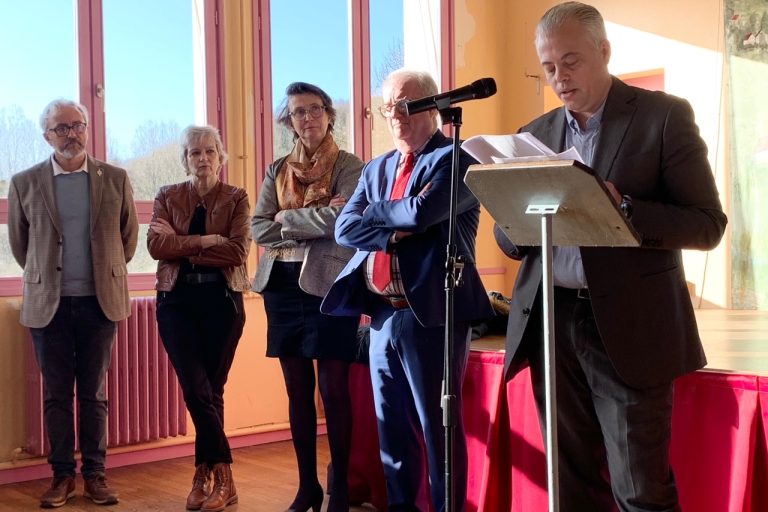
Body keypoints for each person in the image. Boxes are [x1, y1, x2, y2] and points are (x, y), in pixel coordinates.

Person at [493, 3, 728, 511]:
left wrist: (624, 208)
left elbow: (707, 224)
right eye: (548, 67)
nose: (559, 77)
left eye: (571, 61)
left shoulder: (663, 117)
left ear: (604, 50)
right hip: (551, 323)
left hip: (629, 327)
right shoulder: (533, 134)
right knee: (568, 484)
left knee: (639, 490)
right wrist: (510, 215)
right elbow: (511, 241)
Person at [321, 69, 493, 512]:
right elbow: (344, 228)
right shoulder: (376, 167)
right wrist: (391, 226)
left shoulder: (457, 160)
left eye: (406, 105)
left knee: (438, 430)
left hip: (432, 314)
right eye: (388, 108)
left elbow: (421, 213)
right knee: (391, 431)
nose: (396, 115)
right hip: (381, 314)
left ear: (433, 106)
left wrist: (376, 213)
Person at [7, 99, 138, 508]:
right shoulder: (25, 182)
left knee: (94, 394)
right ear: (47, 135)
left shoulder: (115, 178)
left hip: (100, 304)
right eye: (61, 128)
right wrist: (47, 277)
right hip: (49, 306)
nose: (71, 134)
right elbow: (21, 245)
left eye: (77, 125)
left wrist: (102, 272)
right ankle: (62, 476)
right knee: (57, 395)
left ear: (87, 128)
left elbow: (128, 238)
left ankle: (95, 475)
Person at [251, 82, 364, 512]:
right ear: (290, 121)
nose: (307, 118)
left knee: (333, 391)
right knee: (297, 392)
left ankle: (341, 489)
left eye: (314, 109)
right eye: (298, 112)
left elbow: (342, 220)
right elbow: (257, 227)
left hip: (329, 284)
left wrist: (285, 216)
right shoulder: (276, 168)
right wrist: (309, 218)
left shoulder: (350, 165)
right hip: (280, 286)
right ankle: (307, 487)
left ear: (329, 115)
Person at [147, 125, 250, 512]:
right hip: (176, 302)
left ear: (221, 157)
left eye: (209, 151)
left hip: (222, 302)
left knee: (211, 391)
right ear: (185, 159)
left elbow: (238, 252)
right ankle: (224, 475)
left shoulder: (236, 198)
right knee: (195, 388)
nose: (202, 158)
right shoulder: (167, 195)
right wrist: (207, 241)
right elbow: (156, 246)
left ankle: (204, 476)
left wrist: (180, 244)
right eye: (194, 152)